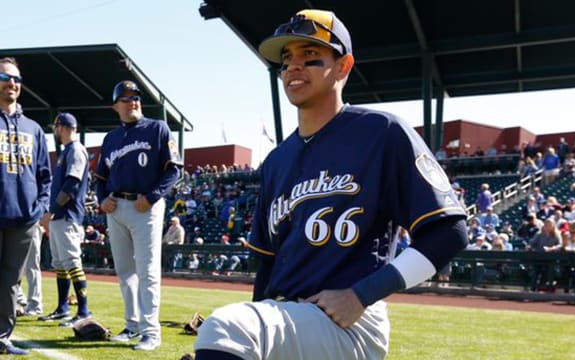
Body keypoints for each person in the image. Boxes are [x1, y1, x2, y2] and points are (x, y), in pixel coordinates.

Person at [193, 9, 468, 360]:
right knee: (232, 335)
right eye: (287, 59)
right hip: (290, 318)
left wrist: (361, 294)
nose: (294, 66)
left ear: (343, 66)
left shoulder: (381, 132)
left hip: (350, 322)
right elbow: (267, 266)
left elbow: (450, 232)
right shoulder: (277, 160)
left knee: (226, 327)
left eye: (310, 56)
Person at [95, 80, 183, 351]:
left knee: (147, 270)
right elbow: (100, 178)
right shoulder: (110, 138)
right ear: (115, 106)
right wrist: (102, 200)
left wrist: (153, 196)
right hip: (117, 207)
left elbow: (174, 170)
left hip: (144, 206)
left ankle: (151, 331)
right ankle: (132, 326)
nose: (132, 101)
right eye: (125, 98)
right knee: (125, 271)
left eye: (136, 97)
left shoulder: (157, 128)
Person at [0, 57, 52, 355]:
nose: (12, 84)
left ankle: (2, 338)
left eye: (17, 79)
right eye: (6, 77)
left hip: (23, 219)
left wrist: (40, 208)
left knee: (10, 282)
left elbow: (45, 174)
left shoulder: (33, 129)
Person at [38, 112, 92, 327]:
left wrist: (51, 210)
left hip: (67, 214)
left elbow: (72, 184)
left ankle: (83, 311)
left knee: (71, 262)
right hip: (60, 215)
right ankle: (62, 308)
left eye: (57, 127)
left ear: (62, 127)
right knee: (60, 263)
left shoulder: (76, 150)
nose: (55, 131)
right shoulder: (67, 151)